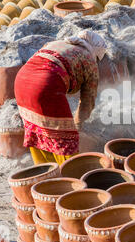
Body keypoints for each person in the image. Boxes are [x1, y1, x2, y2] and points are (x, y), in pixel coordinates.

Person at [14, 30, 106, 165]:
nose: (97, 61)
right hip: (45, 87)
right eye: (98, 58)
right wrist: (78, 124)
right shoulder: (88, 59)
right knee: (65, 138)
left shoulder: (57, 43)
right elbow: (88, 100)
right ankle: (71, 177)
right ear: (95, 51)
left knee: (38, 131)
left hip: (21, 82)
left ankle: (46, 174)